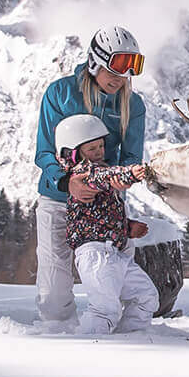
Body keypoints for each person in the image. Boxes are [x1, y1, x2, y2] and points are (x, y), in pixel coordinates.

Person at [34, 26, 147, 325]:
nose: (121, 77)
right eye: (116, 67)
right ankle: (57, 343)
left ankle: (129, 344)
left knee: (119, 284)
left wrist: (124, 179)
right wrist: (67, 182)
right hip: (59, 200)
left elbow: (131, 156)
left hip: (103, 207)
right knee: (54, 294)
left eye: (129, 70)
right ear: (96, 61)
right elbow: (45, 151)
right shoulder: (61, 93)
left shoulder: (131, 105)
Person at [54, 114, 158, 334]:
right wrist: (129, 173)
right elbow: (103, 176)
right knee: (105, 310)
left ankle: (129, 340)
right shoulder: (83, 173)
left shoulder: (98, 170)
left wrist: (127, 227)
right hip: (94, 254)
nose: (99, 152)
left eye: (101, 146)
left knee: (146, 297)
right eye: (91, 149)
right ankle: (90, 350)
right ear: (73, 153)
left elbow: (101, 214)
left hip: (115, 253)